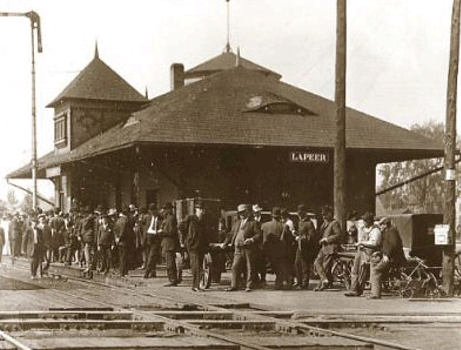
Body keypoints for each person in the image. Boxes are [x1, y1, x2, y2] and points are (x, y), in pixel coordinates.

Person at [225, 204, 262, 292]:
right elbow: (231, 234)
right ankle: (234, 285)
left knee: (250, 267)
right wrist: (225, 243)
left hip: (248, 248)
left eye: (243, 212)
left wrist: (252, 239)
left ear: (247, 212)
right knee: (235, 266)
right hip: (238, 248)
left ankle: (249, 285)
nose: (241, 214)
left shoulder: (253, 223)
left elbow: (259, 234)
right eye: (239, 213)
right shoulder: (237, 223)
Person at [345, 212, 382, 297]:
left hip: (369, 252)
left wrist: (362, 243)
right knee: (354, 270)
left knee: (362, 271)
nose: (363, 222)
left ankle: (358, 290)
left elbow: (375, 243)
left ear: (368, 222)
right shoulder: (363, 227)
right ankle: (353, 289)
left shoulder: (376, 230)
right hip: (360, 250)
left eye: (365, 221)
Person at [368, 217, 406, 299]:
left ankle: (375, 294)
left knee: (376, 270)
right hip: (392, 257)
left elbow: (393, 244)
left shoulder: (391, 232)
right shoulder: (388, 231)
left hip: (394, 258)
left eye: (381, 225)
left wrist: (387, 255)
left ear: (385, 225)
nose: (380, 226)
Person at [314, 205, 344, 291]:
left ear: (331, 214)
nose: (324, 217)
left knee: (325, 266)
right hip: (324, 248)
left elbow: (338, 235)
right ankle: (325, 280)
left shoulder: (334, 223)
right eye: (323, 215)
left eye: (326, 214)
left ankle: (322, 284)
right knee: (317, 263)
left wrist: (327, 239)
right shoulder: (324, 224)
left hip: (331, 248)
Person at [262, 207, 290, 290]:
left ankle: (262, 281)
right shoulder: (284, 226)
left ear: (271, 215)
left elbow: (263, 238)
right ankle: (279, 283)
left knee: (271, 267)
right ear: (280, 216)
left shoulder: (265, 225)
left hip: (268, 250)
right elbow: (288, 240)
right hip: (281, 250)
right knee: (279, 268)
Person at [184, 201, 209, 291]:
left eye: (203, 210)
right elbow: (181, 227)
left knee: (199, 267)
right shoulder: (191, 220)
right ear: (196, 210)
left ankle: (197, 285)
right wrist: (188, 241)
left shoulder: (202, 221)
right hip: (193, 246)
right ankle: (195, 286)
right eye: (200, 209)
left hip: (200, 247)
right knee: (196, 267)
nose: (202, 211)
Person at [294, 204, 317, 290]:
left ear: (304, 213)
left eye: (300, 212)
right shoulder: (300, 222)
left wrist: (300, 237)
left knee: (305, 266)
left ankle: (304, 284)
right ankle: (299, 282)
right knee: (297, 265)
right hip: (299, 247)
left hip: (306, 248)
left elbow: (311, 236)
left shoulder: (309, 223)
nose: (299, 214)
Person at [160, 202, 180, 286]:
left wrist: (162, 232)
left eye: (165, 209)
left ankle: (172, 280)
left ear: (169, 210)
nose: (164, 211)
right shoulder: (169, 218)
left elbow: (171, 232)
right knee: (169, 262)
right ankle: (172, 279)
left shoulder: (170, 219)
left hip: (169, 243)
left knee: (170, 263)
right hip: (169, 243)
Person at [113, 205, 136, 277]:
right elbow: (123, 231)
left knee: (121, 256)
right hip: (125, 241)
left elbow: (115, 230)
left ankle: (122, 271)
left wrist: (116, 238)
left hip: (119, 241)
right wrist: (119, 237)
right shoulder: (126, 220)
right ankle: (123, 272)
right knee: (125, 256)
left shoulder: (118, 220)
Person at [143, 204, 162, 279]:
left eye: (153, 211)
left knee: (152, 256)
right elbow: (145, 227)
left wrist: (159, 231)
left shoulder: (160, 217)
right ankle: (153, 272)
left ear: (156, 210)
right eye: (151, 211)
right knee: (149, 256)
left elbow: (162, 227)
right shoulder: (148, 217)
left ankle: (146, 273)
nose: (152, 212)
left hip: (156, 237)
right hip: (148, 237)